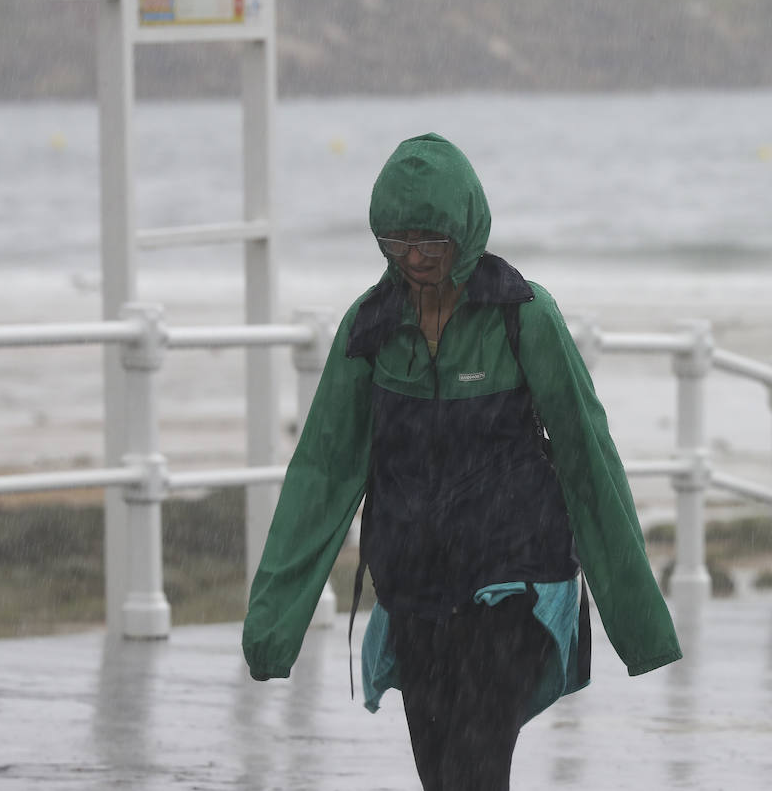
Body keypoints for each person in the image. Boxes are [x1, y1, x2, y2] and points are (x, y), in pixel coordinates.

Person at [243, 132, 681, 791]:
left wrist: (638, 621)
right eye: (398, 242)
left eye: (431, 241)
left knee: (475, 769)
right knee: (442, 773)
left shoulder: (523, 317)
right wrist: (275, 623)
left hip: (518, 581)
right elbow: (323, 472)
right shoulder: (369, 330)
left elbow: (589, 457)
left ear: (466, 230)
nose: (415, 258)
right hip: (416, 592)